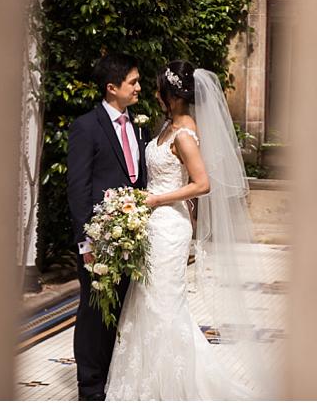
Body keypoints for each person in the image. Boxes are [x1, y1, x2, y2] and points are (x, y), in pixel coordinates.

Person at [104, 61, 273, 400]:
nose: (154, 94)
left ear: (172, 95)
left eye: (158, 89)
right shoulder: (169, 125)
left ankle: (175, 385)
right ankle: (146, 383)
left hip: (169, 226)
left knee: (164, 304)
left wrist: (156, 199)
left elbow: (202, 183)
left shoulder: (184, 133)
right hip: (154, 224)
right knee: (146, 301)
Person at [66, 53, 151, 401]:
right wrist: (85, 243)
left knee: (120, 311)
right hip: (98, 240)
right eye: (133, 82)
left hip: (131, 236)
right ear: (112, 87)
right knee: (93, 313)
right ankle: (90, 388)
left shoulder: (140, 126)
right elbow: (78, 189)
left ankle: (114, 378)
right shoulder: (86, 127)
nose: (139, 87)